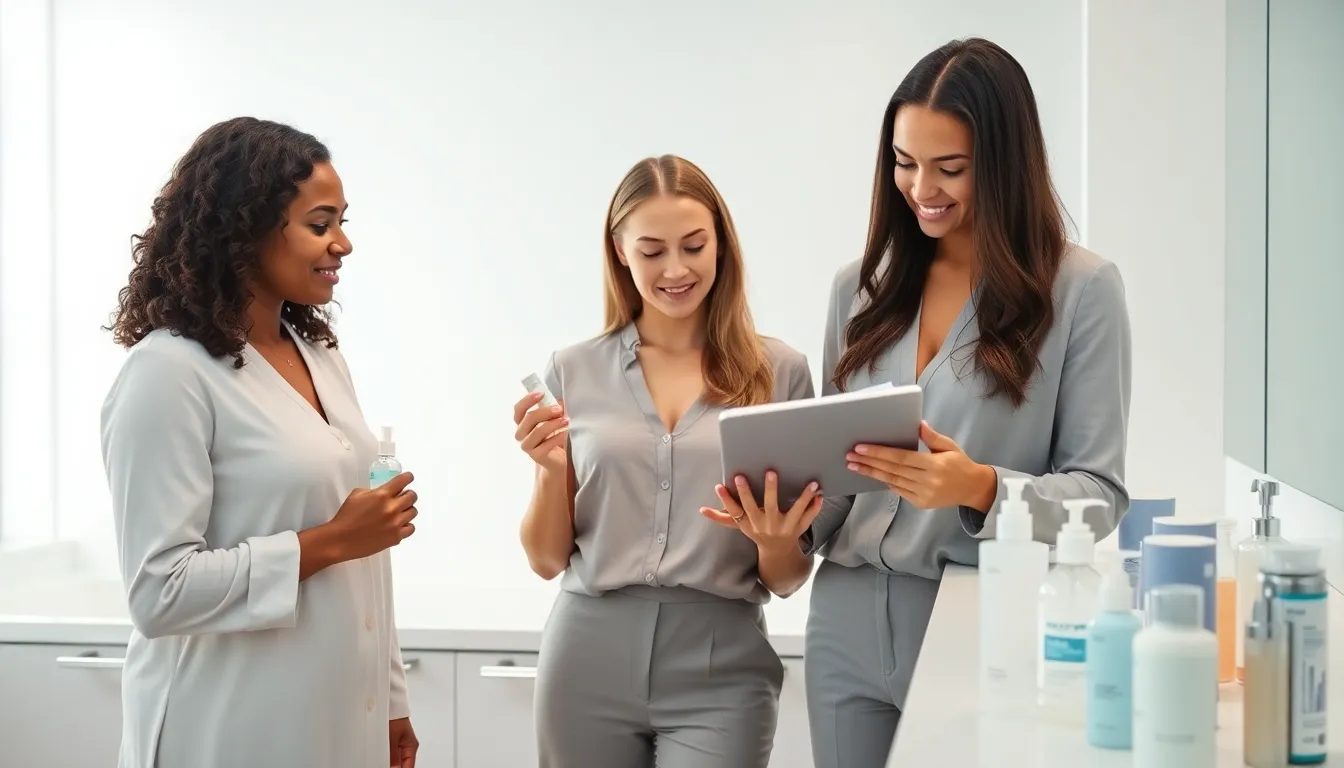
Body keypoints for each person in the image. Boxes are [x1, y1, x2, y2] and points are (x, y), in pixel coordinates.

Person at [801, 38, 1133, 767]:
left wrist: (980, 487)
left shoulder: (1081, 292)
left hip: (976, 618)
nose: (922, 188)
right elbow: (833, 485)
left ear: (1006, 163)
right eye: (903, 162)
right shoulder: (856, 288)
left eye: (950, 168)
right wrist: (779, 518)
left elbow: (1100, 494)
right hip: (843, 620)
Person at [100, 117, 421, 768]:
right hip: (224, 723)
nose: (344, 245)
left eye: (342, 221)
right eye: (321, 224)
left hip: (337, 717)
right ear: (244, 229)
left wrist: (389, 700)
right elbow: (159, 592)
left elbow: (368, 557)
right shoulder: (168, 373)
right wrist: (329, 541)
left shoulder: (320, 357)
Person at [511, 154, 821, 768]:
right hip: (586, 651)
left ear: (720, 248)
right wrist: (550, 470)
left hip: (722, 658)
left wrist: (775, 539)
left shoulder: (778, 372)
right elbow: (547, 559)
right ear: (620, 251)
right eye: (652, 251)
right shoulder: (573, 370)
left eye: (693, 246)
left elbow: (785, 580)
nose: (675, 269)